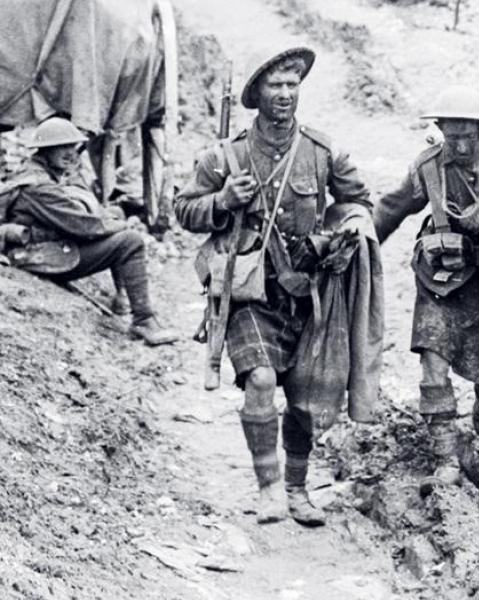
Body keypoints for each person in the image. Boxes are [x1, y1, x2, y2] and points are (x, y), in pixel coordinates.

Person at [175, 46, 375, 526]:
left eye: (292, 84)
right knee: (262, 380)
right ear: (256, 93)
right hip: (249, 290)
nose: (285, 94)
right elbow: (183, 209)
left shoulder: (321, 152)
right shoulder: (226, 156)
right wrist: (222, 201)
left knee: (306, 395)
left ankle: (296, 488)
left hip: (309, 291)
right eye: (275, 85)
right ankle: (268, 488)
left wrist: (334, 236)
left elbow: (359, 204)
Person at [373, 85, 479, 490]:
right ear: (440, 130)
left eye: (468, 136)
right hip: (443, 282)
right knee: (432, 363)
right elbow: (391, 209)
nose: (461, 146)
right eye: (452, 137)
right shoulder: (428, 168)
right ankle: (445, 457)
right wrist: (361, 244)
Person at [0, 117, 178, 346]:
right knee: (130, 241)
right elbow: (82, 226)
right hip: (38, 255)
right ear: (45, 150)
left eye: (72, 147)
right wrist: (121, 225)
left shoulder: (43, 173)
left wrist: (111, 219)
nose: (70, 153)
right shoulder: (38, 186)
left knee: (114, 219)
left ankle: (123, 298)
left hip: (46, 249)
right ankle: (143, 320)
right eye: (61, 147)